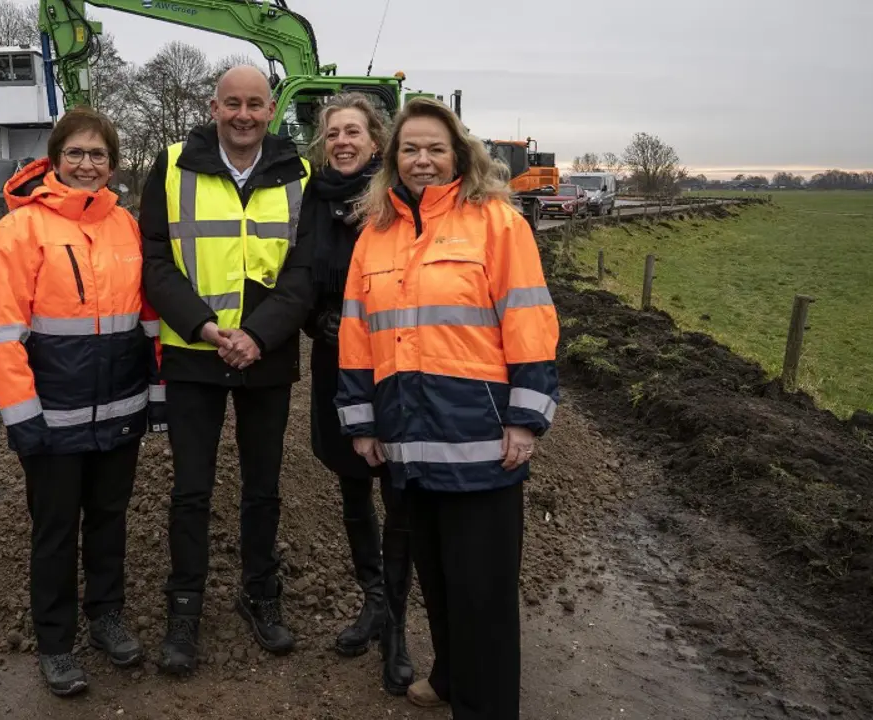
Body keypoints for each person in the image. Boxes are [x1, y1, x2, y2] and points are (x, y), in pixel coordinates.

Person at [336, 97, 560, 719]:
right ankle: (452, 675)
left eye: (436, 148)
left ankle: (485, 705)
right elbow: (356, 334)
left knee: (481, 591)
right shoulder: (375, 233)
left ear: (459, 154)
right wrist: (361, 420)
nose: (422, 160)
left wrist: (525, 416)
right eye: (410, 149)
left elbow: (530, 321)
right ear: (393, 158)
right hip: (408, 441)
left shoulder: (495, 222)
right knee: (435, 578)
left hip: (481, 439)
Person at [0, 106, 166, 698]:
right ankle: (56, 642)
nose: (88, 165)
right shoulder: (19, 230)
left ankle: (106, 615)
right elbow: (0, 334)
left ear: (112, 165)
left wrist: (155, 396)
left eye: (99, 155)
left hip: (119, 408)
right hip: (52, 417)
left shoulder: (127, 226)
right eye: (77, 154)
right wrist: (22, 417)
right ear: (55, 160)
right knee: (55, 531)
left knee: (109, 521)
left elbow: (148, 320)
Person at [139, 65, 313, 676]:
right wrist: (209, 329)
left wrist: (257, 336)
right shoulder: (170, 164)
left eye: (255, 105)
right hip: (194, 354)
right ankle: (184, 606)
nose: (243, 115)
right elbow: (154, 260)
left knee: (263, 488)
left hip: (265, 355)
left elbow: (303, 272)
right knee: (190, 490)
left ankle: (260, 594)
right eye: (232, 104)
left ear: (272, 110)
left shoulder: (300, 171)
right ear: (213, 107)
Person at [299, 93, 413, 695]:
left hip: (391, 362)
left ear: (376, 140)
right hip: (333, 359)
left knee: (397, 490)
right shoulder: (312, 202)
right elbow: (298, 276)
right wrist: (313, 321)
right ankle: (372, 600)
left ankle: (395, 626)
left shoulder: (393, 201)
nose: (343, 141)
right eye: (333, 133)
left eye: (354, 132)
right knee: (351, 484)